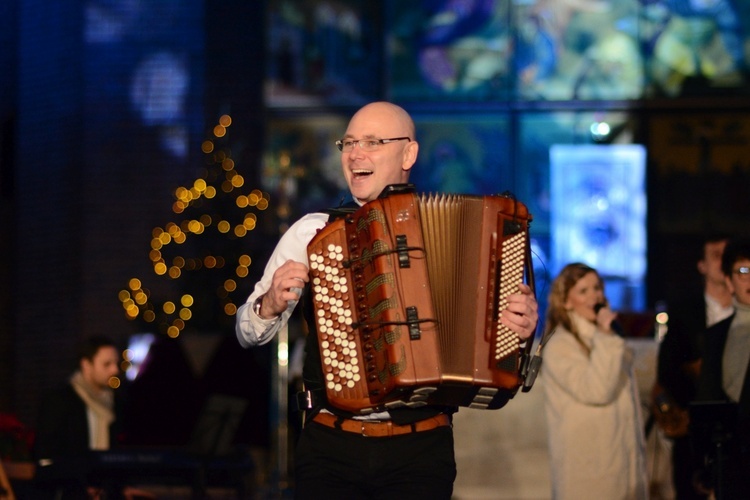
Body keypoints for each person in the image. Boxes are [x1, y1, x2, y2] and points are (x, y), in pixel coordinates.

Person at [235, 101, 539, 499]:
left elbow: (500, 324)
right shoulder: (312, 231)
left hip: (421, 450)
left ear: (408, 154)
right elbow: (246, 332)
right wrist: (268, 305)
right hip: (331, 447)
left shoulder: (471, 230)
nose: (355, 153)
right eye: (349, 142)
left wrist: (518, 326)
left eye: (373, 142)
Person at [540, 262, 648, 500]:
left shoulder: (606, 338)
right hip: (589, 476)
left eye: (597, 287)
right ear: (566, 301)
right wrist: (606, 338)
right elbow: (598, 391)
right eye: (583, 291)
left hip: (622, 470)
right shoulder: (560, 346)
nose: (595, 296)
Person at [653, 234, 732, 498]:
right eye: (716, 255)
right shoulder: (685, 312)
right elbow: (668, 369)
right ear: (702, 265)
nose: (724, 261)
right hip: (694, 433)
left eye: (728, 255)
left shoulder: (745, 309)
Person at [693, 238, 750, 498]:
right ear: (729, 281)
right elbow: (708, 397)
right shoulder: (716, 335)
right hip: (728, 459)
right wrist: (705, 465)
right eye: (743, 272)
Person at [34, 335, 121, 499]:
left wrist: (118, 488)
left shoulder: (112, 401)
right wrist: (81, 486)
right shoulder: (60, 401)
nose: (115, 370)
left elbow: (113, 456)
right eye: (106, 364)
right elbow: (47, 457)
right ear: (86, 365)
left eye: (115, 364)